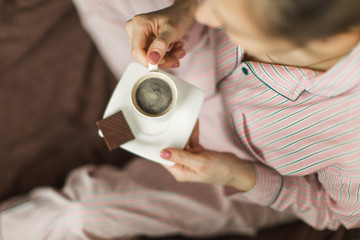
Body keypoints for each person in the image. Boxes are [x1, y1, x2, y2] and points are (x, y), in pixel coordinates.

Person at [1, 0, 360, 239]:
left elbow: (334, 212)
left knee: (79, 215)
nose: (206, 16)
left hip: (229, 178)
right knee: (118, 122)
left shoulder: (352, 142)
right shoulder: (207, 14)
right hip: (182, 60)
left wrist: (239, 175)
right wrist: (184, 9)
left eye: (230, 21)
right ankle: (113, 130)